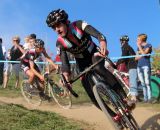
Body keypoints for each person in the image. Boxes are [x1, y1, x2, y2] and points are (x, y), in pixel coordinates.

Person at [46, 9, 134, 129]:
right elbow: (64, 61)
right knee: (90, 92)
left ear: (65, 22)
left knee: (99, 67)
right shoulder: (60, 42)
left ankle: (124, 99)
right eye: (53, 27)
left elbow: (98, 34)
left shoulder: (79, 25)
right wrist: (66, 77)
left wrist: (102, 42)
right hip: (81, 63)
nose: (56, 29)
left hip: (94, 54)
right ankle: (114, 117)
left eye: (58, 25)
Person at [117, 35, 138, 103]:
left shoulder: (125, 46)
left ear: (122, 41)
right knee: (132, 80)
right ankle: (134, 96)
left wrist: (116, 63)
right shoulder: (128, 47)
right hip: (132, 65)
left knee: (132, 81)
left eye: (120, 41)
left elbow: (124, 57)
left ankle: (134, 98)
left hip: (132, 65)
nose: (120, 42)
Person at [135, 34, 152, 103]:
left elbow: (144, 54)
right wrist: (141, 54)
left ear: (142, 39)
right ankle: (145, 99)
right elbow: (136, 58)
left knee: (147, 82)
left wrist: (139, 48)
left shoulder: (149, 45)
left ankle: (150, 98)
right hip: (139, 66)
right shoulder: (138, 48)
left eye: (138, 39)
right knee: (142, 83)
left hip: (146, 66)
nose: (137, 40)